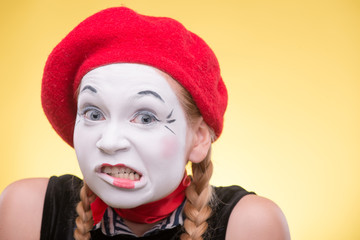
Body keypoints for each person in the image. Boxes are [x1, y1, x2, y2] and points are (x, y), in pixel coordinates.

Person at [0, 7, 290, 240]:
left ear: (199, 138)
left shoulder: (249, 224)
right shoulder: (29, 210)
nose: (109, 141)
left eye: (146, 117)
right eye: (93, 114)